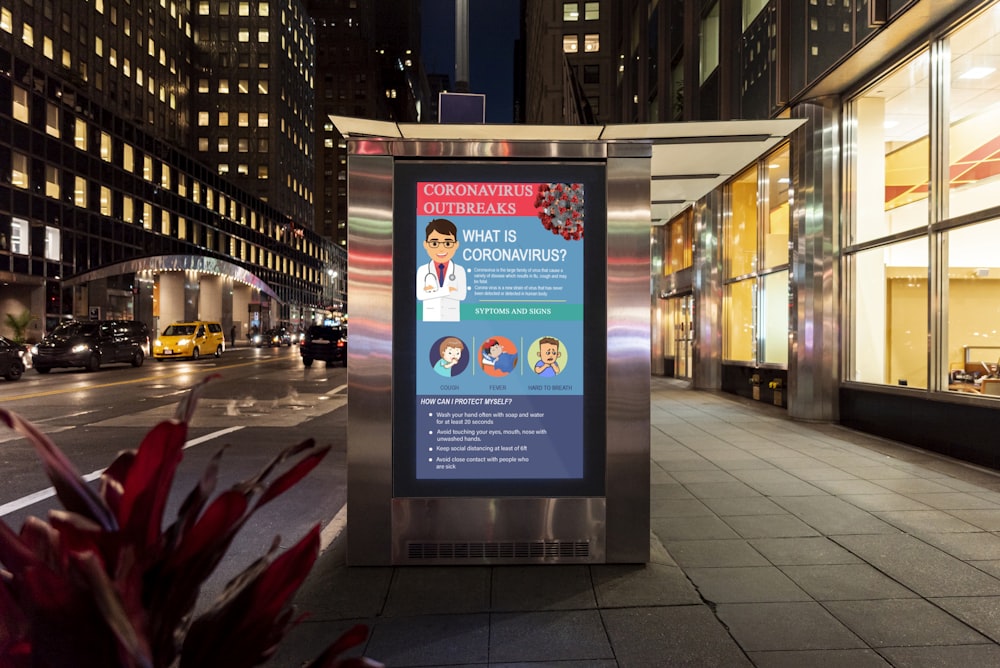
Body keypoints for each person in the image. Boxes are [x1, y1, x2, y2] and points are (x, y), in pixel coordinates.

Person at [416, 218, 467, 321]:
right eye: (434, 244)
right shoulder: (422, 270)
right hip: (430, 318)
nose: (441, 249)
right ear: (425, 244)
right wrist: (448, 290)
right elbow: (420, 295)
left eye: (447, 244)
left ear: (456, 245)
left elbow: (461, 295)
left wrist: (432, 291)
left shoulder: (459, 270)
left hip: (452, 318)